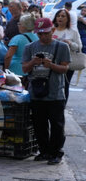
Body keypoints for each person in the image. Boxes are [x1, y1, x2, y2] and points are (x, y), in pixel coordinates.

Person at [22, 17, 70, 165]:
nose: (43, 36)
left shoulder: (61, 47)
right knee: (39, 125)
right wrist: (33, 62)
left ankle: (56, 152)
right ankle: (44, 151)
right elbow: (24, 68)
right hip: (36, 93)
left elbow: (65, 68)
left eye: (46, 33)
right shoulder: (30, 47)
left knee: (57, 125)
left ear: (52, 31)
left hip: (56, 93)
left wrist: (51, 65)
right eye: (40, 34)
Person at [51, 7, 81, 99]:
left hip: (67, 63)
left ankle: (62, 107)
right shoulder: (51, 30)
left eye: (63, 16)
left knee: (65, 86)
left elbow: (79, 47)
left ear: (67, 19)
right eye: (58, 16)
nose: (60, 18)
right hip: (52, 62)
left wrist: (70, 43)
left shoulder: (73, 32)